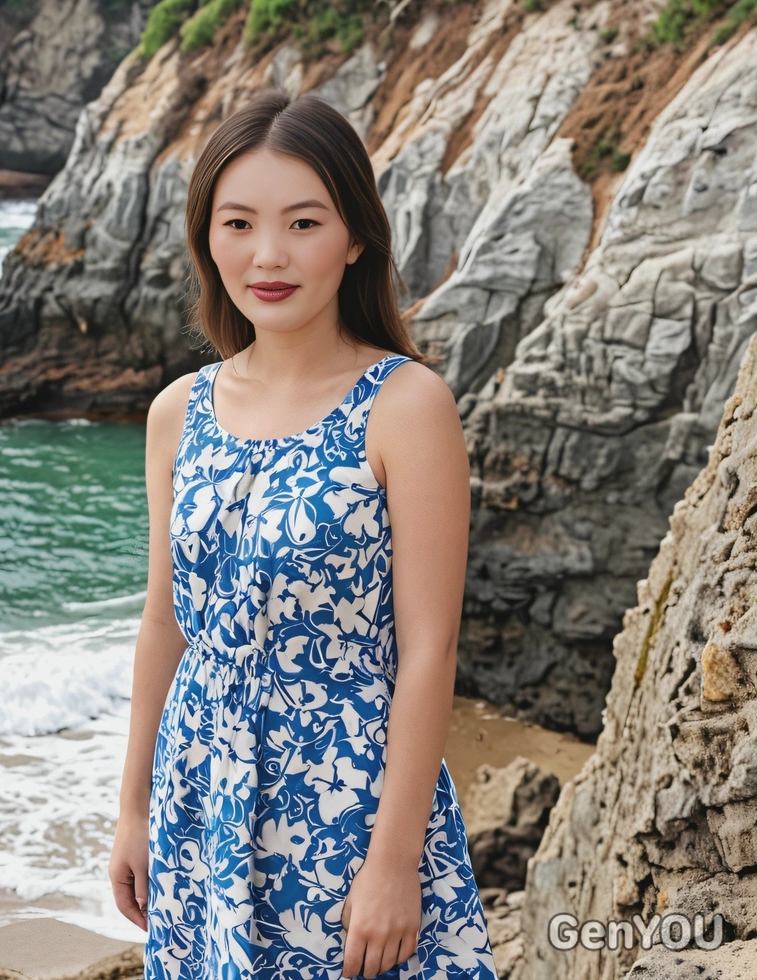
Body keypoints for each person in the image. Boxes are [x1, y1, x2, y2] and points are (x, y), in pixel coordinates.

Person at [109, 88, 499, 980]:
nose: (269, 256)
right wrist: (133, 810)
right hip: (199, 794)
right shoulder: (178, 412)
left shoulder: (406, 406)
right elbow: (165, 622)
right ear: (207, 237)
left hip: (346, 801)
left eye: (304, 223)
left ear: (355, 237)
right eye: (239, 223)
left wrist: (394, 861)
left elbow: (430, 650)